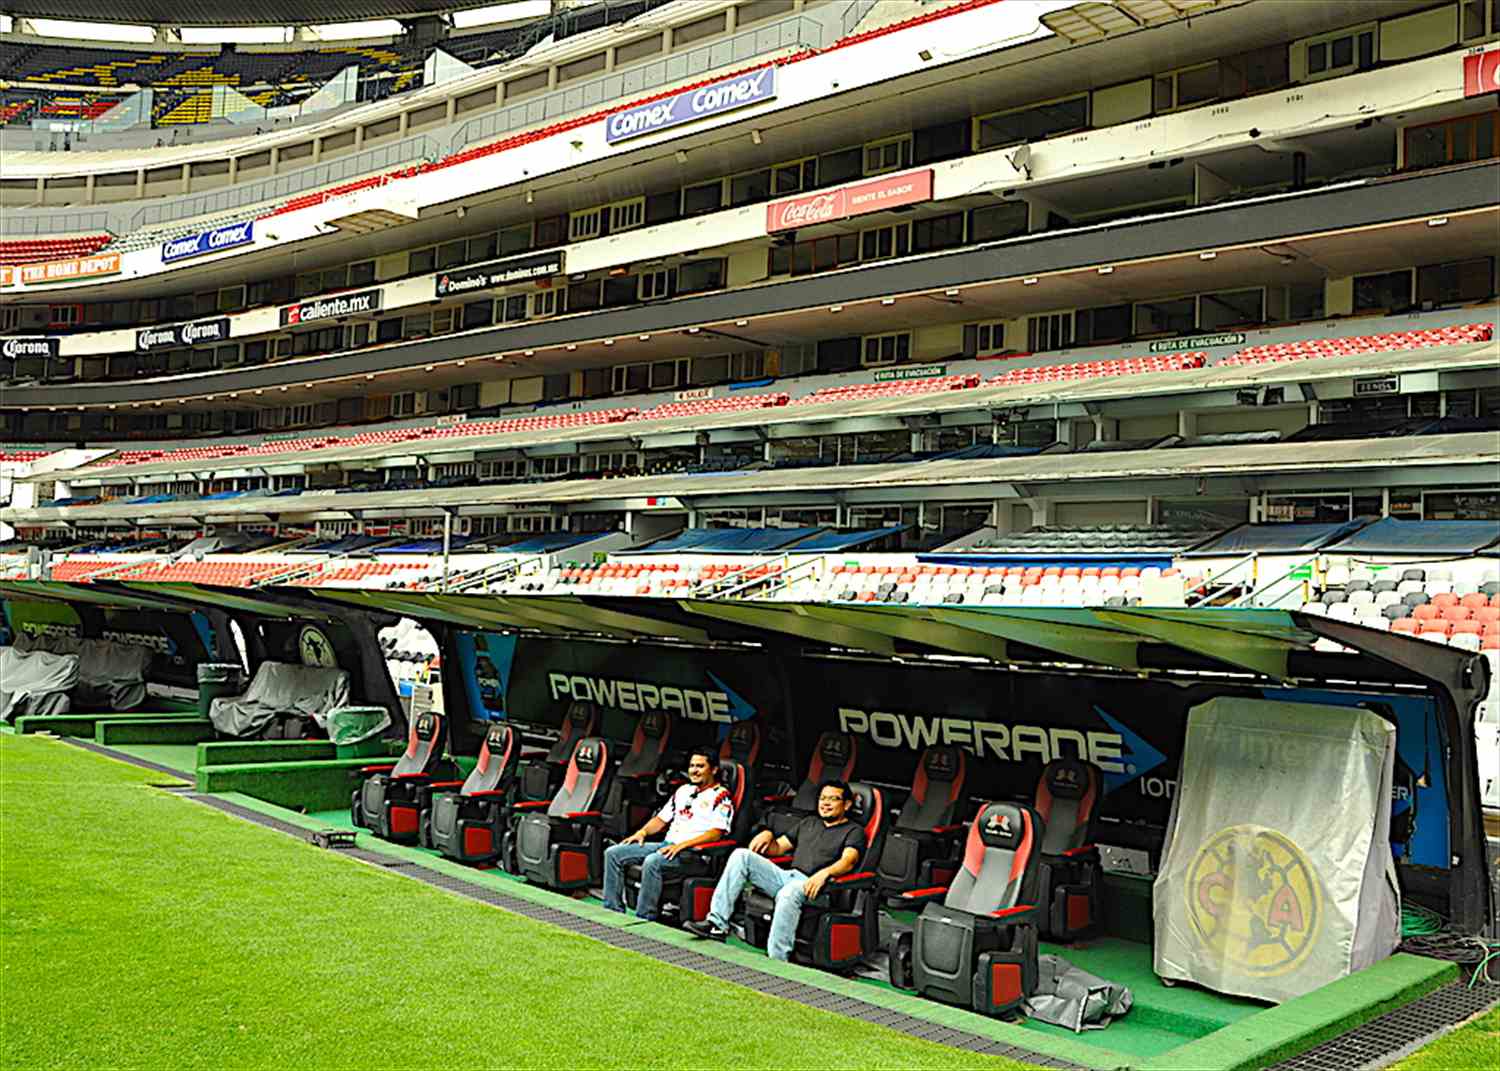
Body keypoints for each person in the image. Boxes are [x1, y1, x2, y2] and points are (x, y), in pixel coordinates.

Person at [685, 780, 865, 961]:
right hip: (788, 877)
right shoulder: (809, 822)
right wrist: (767, 833)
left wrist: (825, 873)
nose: (825, 803)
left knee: (789, 891)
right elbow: (778, 848)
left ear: (847, 804)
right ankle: (716, 925)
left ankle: (777, 959)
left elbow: (848, 861)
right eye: (822, 798)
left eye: (833, 799)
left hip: (819, 888)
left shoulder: (854, 831)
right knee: (741, 855)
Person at [601, 748, 734, 921]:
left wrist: (682, 845)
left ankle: (644, 918)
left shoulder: (721, 796)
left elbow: (716, 833)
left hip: (693, 854)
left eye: (700, 766)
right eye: (692, 766)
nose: (694, 770)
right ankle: (612, 911)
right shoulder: (683, 790)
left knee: (652, 861)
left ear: (714, 770)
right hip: (667, 846)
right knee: (613, 853)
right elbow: (661, 820)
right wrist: (642, 832)